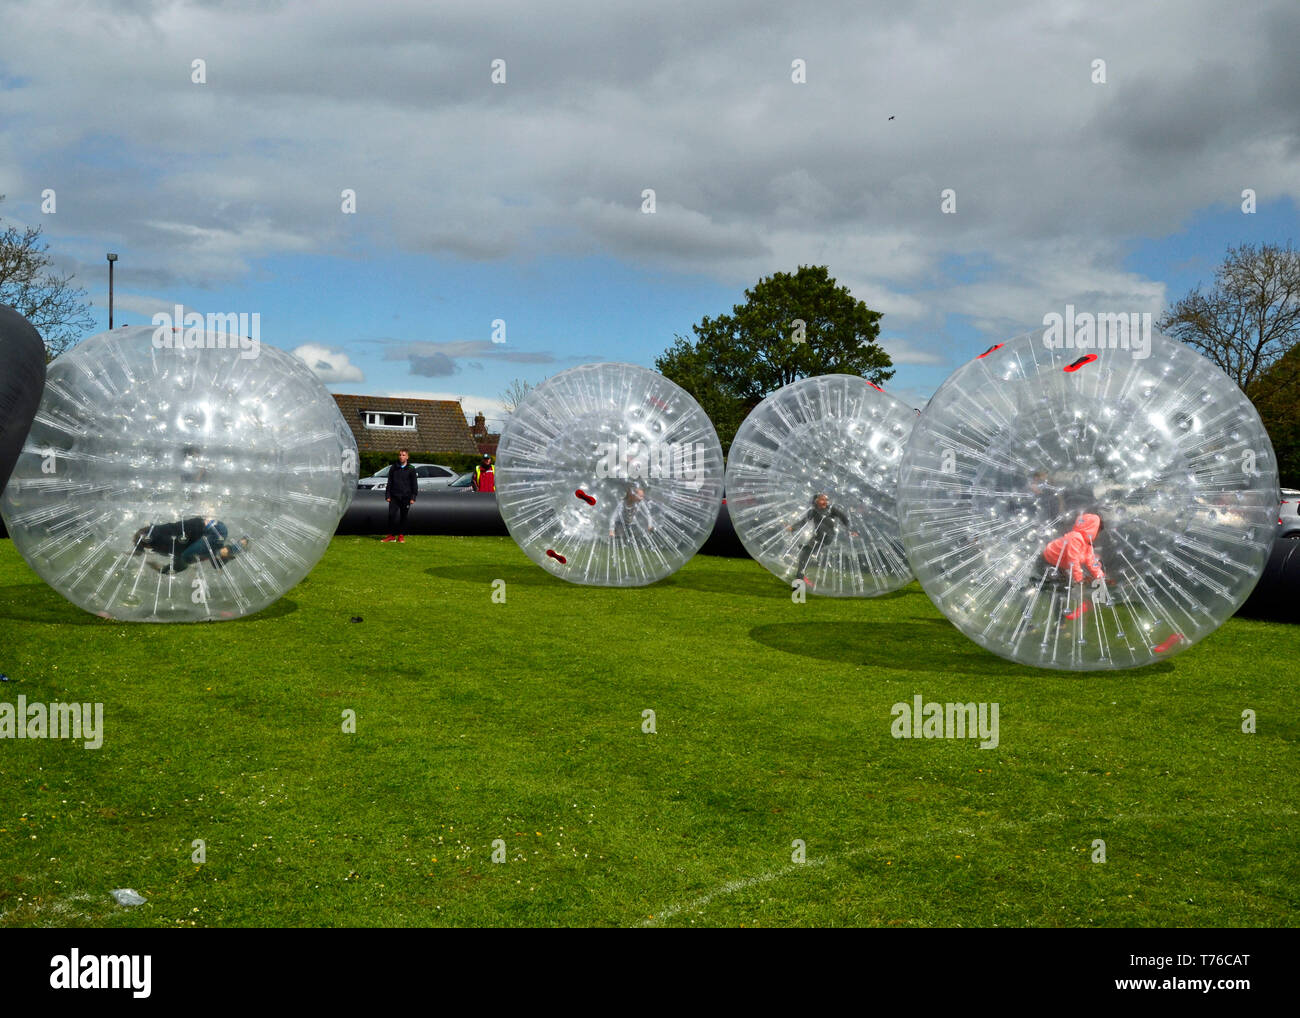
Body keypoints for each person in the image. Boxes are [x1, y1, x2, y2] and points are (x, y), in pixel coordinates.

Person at [132, 517, 249, 574]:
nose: (150, 550)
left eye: (147, 547)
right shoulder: (168, 543)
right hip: (211, 532)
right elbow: (181, 560)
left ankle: (243, 543)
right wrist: (164, 570)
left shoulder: (162, 535)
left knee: (188, 557)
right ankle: (241, 544)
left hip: (215, 530)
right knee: (215, 562)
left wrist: (163, 569)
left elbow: (183, 561)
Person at [1043, 513, 1105, 619]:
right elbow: (1073, 559)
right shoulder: (1075, 537)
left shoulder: (1087, 545)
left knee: (1063, 587)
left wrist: (1100, 576)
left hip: (1058, 565)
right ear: (1092, 528)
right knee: (1058, 588)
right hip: (1047, 562)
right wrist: (1079, 579)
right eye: (1098, 531)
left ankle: (1065, 615)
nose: (1097, 535)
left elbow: (1091, 562)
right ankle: (1061, 618)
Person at [787, 492, 851, 589]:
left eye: (826, 500)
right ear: (816, 501)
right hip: (817, 537)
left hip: (827, 538)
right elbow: (804, 521)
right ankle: (800, 578)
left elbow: (844, 518)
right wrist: (793, 528)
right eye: (822, 499)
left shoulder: (831, 510)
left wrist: (849, 530)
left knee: (806, 553)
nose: (825, 501)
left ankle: (800, 579)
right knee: (805, 554)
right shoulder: (813, 512)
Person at [383, 448, 418, 544]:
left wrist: (413, 497)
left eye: (403, 455)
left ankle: (401, 536)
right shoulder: (393, 467)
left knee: (403, 516)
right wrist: (388, 495)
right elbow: (389, 482)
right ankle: (391, 536)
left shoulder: (411, 469)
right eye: (400, 455)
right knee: (391, 515)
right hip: (394, 496)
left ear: (407, 457)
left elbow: (414, 484)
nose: (401, 457)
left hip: (406, 497)